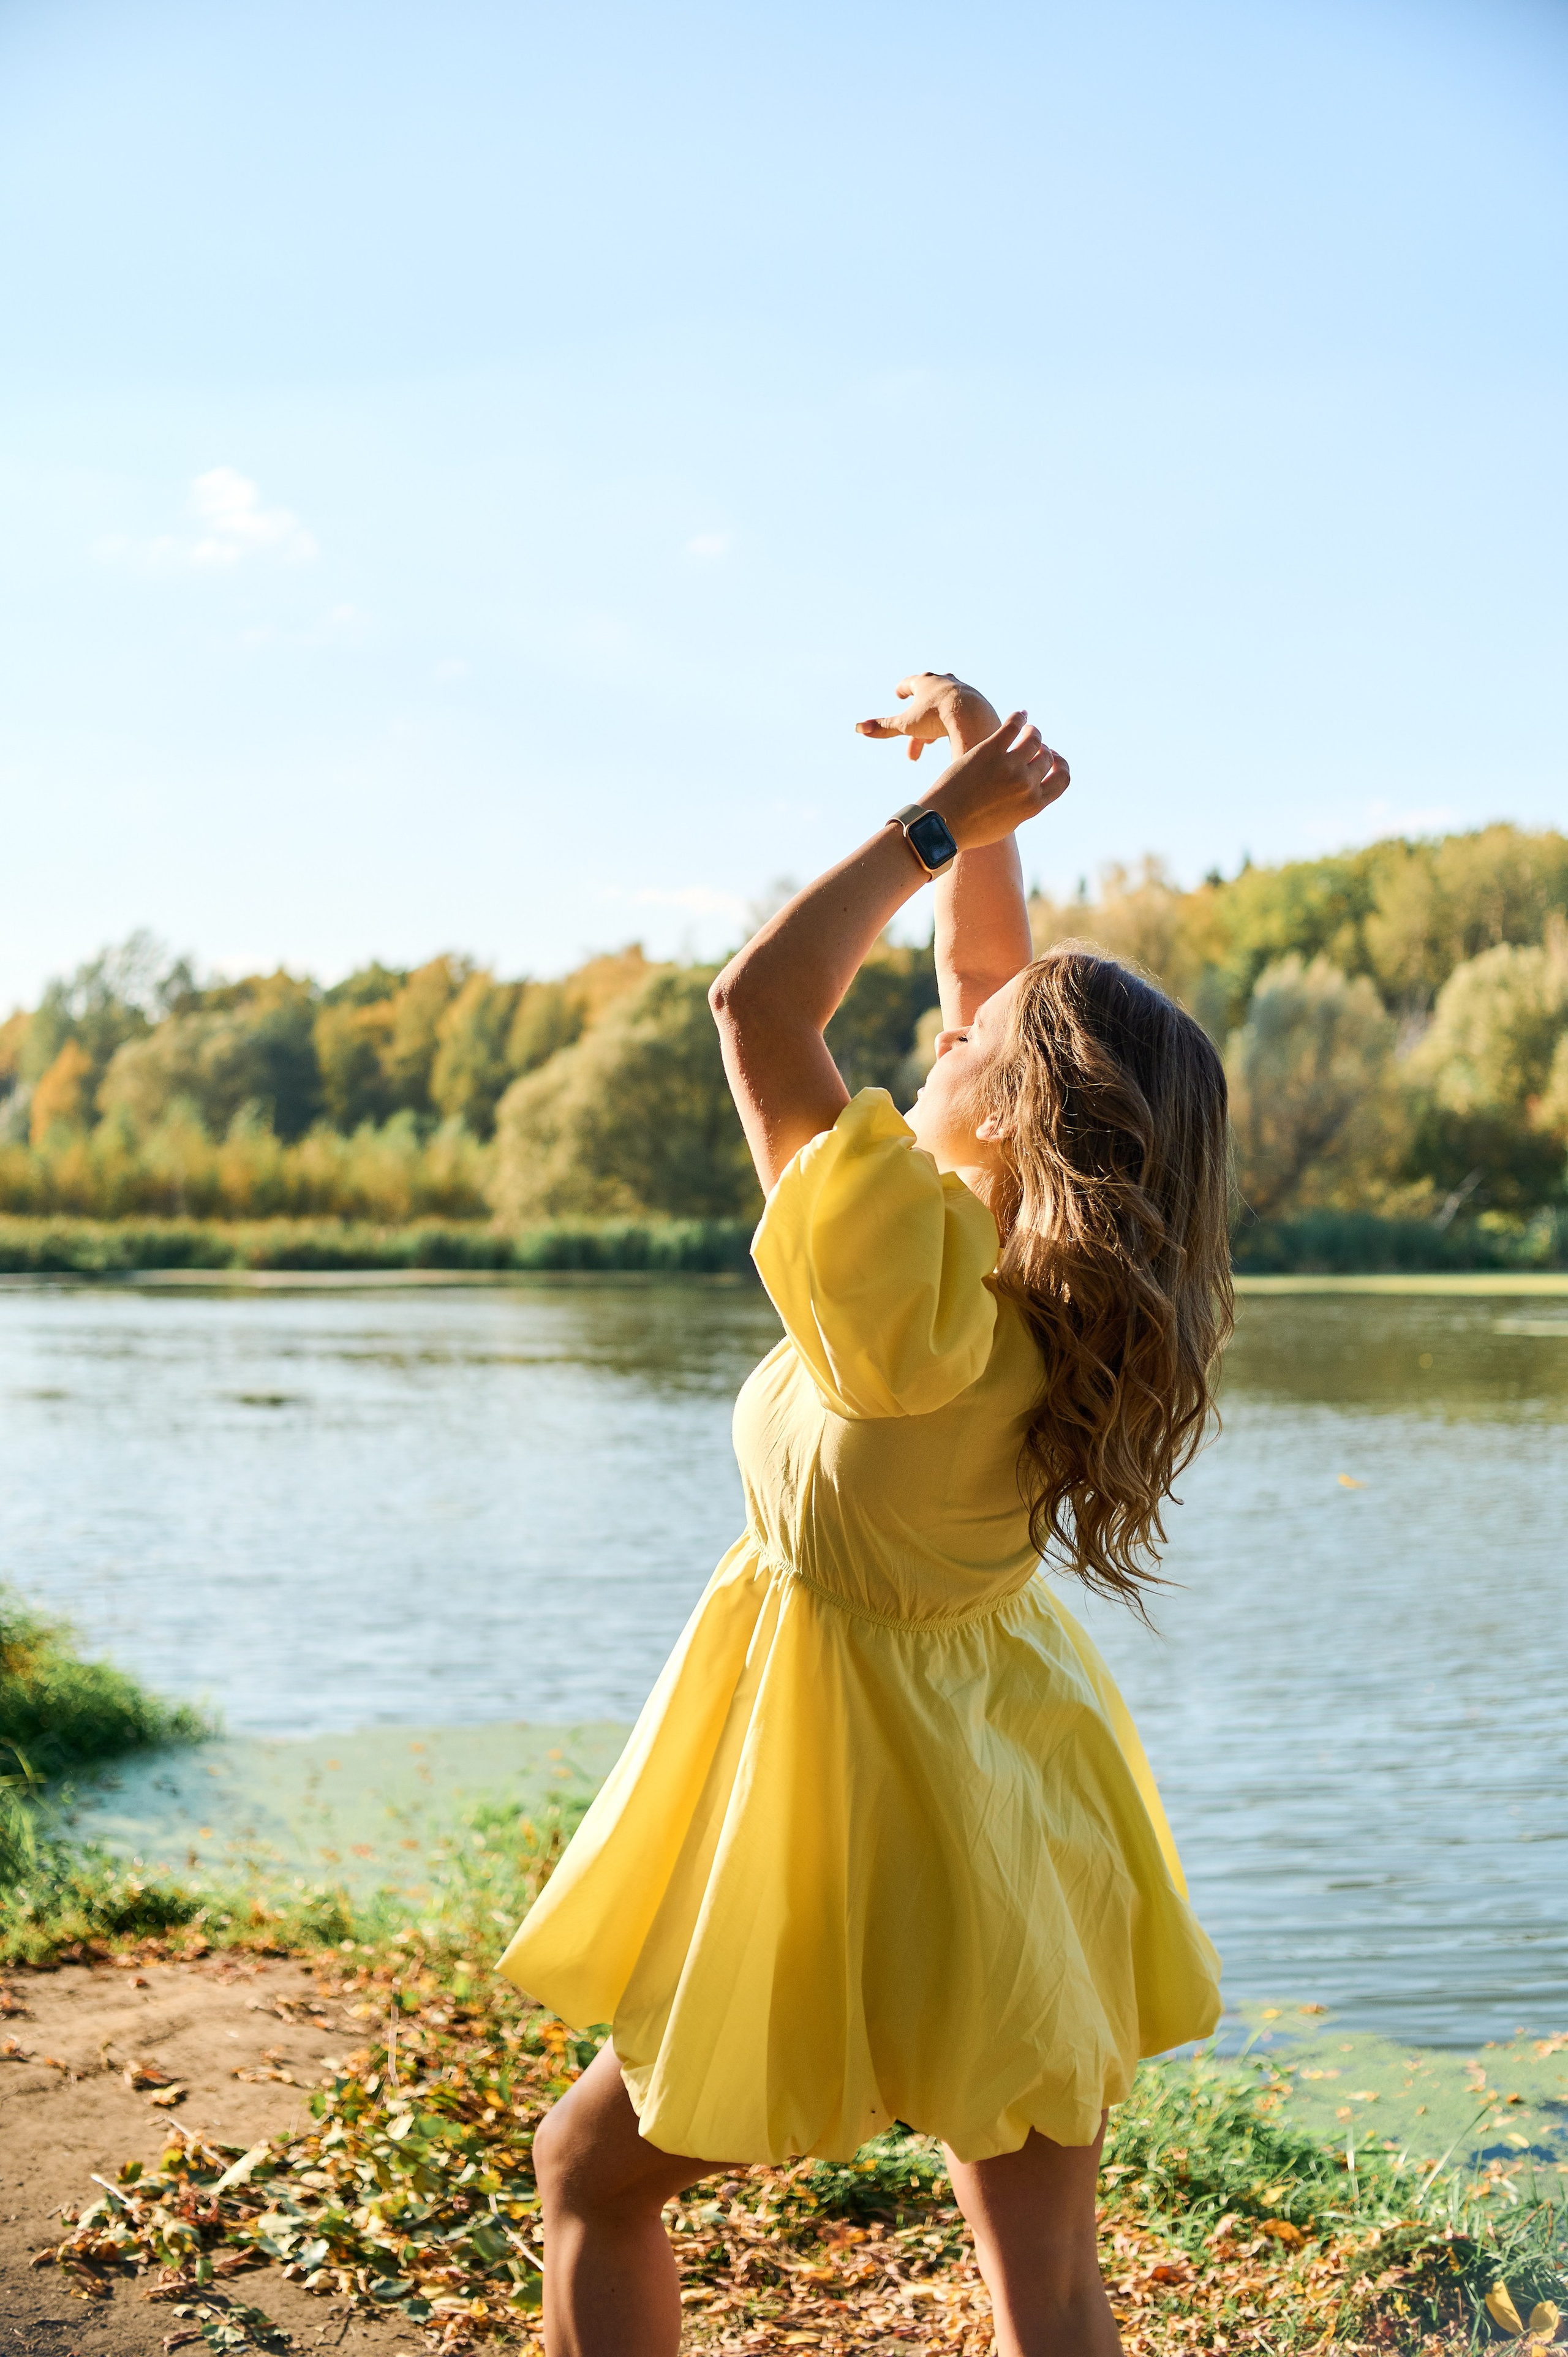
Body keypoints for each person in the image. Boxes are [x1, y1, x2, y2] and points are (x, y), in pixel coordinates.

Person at [500, 673, 1232, 2357]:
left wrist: (932, 830)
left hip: (833, 1801)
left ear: (1018, 1113)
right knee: (1041, 2278)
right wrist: (984, 802)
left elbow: (757, 1005)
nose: (945, 1030)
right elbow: (990, 983)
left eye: (967, 1042)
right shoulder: (1050, 1278)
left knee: (588, 2174)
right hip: (1003, 1784)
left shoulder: (910, 1293)